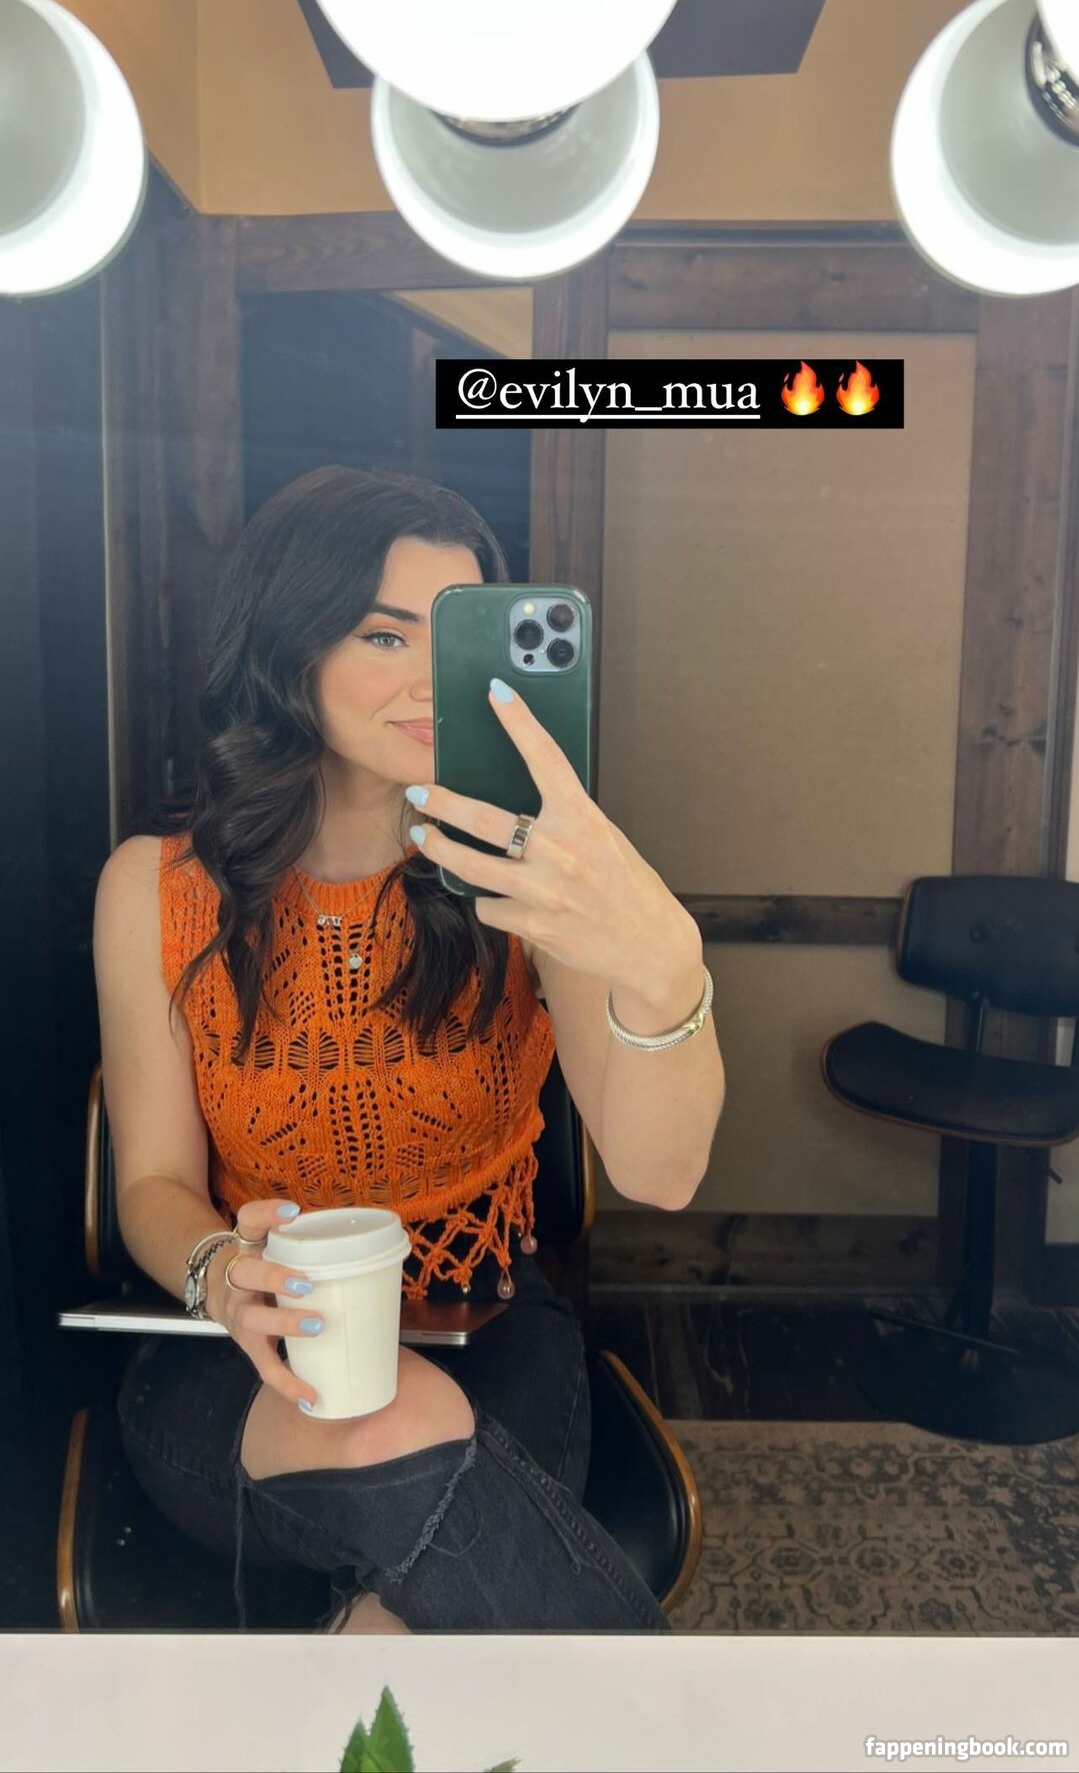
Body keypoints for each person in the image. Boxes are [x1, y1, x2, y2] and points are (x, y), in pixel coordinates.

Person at [93, 463, 726, 1635]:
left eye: (460, 636)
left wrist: (666, 967)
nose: (437, 679)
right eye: (385, 634)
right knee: (404, 1436)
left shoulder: (531, 879)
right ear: (289, 646)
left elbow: (662, 1169)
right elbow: (152, 1185)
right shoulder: (154, 890)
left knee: (402, 1617)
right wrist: (220, 1269)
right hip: (246, 1347)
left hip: (488, 1327)